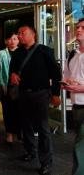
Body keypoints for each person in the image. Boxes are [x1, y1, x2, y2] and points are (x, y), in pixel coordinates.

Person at [9, 24, 61, 175]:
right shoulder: (17, 53)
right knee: (26, 125)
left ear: (33, 35)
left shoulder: (44, 51)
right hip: (23, 93)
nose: (19, 36)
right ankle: (30, 151)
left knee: (43, 128)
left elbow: (56, 74)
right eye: (19, 33)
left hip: (41, 94)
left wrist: (56, 93)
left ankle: (46, 162)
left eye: (22, 33)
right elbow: (13, 69)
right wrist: (12, 74)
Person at [61, 18, 84, 175]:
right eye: (77, 27)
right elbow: (66, 77)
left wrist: (81, 87)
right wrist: (66, 83)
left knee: (80, 146)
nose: (79, 30)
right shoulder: (73, 55)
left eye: (83, 27)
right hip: (77, 106)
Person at [0, 32, 21, 144]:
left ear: (18, 40)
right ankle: (9, 133)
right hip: (6, 87)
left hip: (20, 87)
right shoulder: (1, 54)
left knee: (19, 110)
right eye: (10, 39)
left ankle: (19, 132)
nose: (12, 41)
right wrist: (2, 85)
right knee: (7, 111)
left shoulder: (22, 53)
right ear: (6, 41)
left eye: (15, 39)